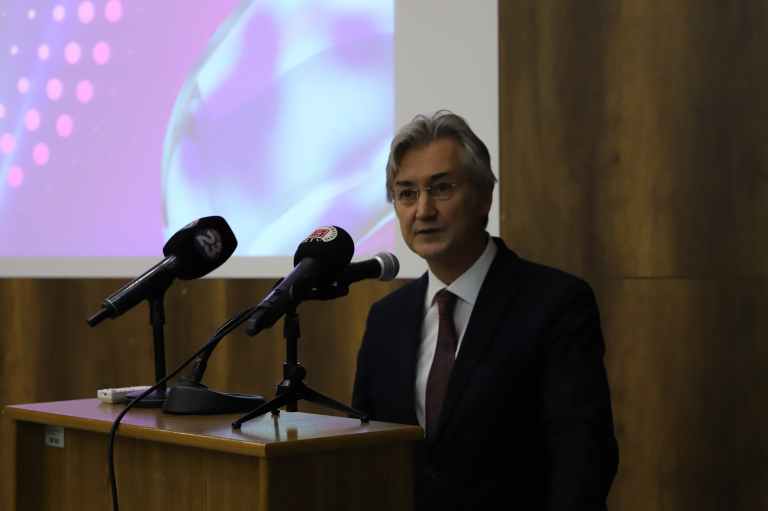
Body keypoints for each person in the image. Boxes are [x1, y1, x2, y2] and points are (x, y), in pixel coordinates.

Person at [351, 111, 619, 510]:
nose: (423, 210)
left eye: (441, 188)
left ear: (485, 195)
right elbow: (363, 452)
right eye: (407, 193)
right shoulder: (386, 319)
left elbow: (582, 453)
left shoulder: (556, 303)